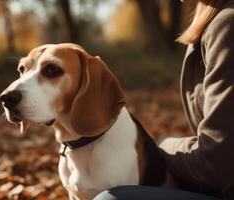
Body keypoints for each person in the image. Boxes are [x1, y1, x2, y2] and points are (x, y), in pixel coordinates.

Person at [94, 0, 234, 199]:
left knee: (109, 198)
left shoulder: (228, 24)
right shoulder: (218, 21)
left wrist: (161, 145)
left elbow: (219, 164)